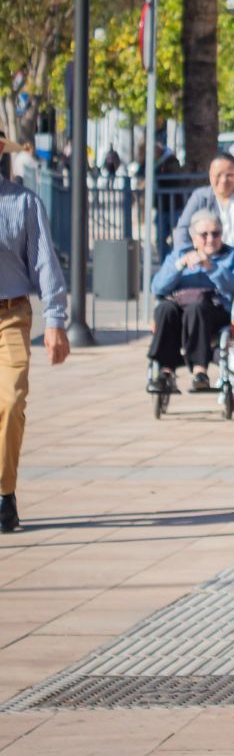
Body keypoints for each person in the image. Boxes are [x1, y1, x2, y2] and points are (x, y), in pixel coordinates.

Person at [0, 133, 71, 534]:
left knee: (10, 403)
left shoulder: (24, 202)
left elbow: (45, 263)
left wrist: (56, 322)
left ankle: (3, 493)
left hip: (10, 315)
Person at [147, 209, 234, 392]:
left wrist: (211, 267)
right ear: (194, 238)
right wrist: (180, 266)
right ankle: (165, 372)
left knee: (197, 308)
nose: (210, 239)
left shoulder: (233, 256)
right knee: (164, 309)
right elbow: (157, 287)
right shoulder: (179, 255)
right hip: (180, 307)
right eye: (204, 235)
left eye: (215, 234)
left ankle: (199, 371)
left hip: (215, 309)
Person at [172, 152, 234, 313]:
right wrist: (187, 255)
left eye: (229, 175)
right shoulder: (200, 197)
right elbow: (183, 229)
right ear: (210, 175)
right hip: (205, 262)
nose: (223, 180)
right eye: (218, 175)